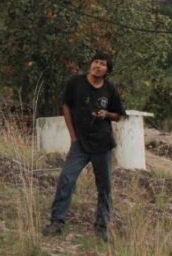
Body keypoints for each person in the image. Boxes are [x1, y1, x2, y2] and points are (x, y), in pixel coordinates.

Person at [42, 52, 127, 242]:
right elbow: (66, 107)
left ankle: (102, 226)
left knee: (104, 186)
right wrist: (72, 136)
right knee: (66, 178)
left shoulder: (110, 89)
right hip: (80, 143)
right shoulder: (76, 82)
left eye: (102, 64)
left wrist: (107, 114)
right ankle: (57, 222)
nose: (97, 66)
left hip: (103, 144)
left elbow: (118, 115)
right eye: (95, 62)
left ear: (107, 71)